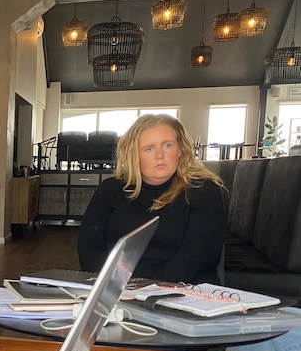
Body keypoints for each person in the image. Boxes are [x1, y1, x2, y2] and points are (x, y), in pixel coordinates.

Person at [77, 114, 227, 284]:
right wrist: (110, 287)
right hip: (117, 290)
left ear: (180, 149)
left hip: (184, 291)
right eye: (149, 149)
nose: (159, 155)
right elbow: (89, 250)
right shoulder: (110, 189)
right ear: (135, 155)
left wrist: (148, 289)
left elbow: (196, 257)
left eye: (167, 145)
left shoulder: (204, 190)